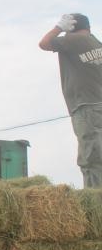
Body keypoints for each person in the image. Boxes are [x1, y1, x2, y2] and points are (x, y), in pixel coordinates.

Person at [39, 13, 102, 188]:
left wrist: (58, 28)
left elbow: (44, 43)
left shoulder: (73, 40)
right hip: (98, 104)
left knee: (91, 158)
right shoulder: (97, 43)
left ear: (71, 27)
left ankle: (95, 199)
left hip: (86, 107)